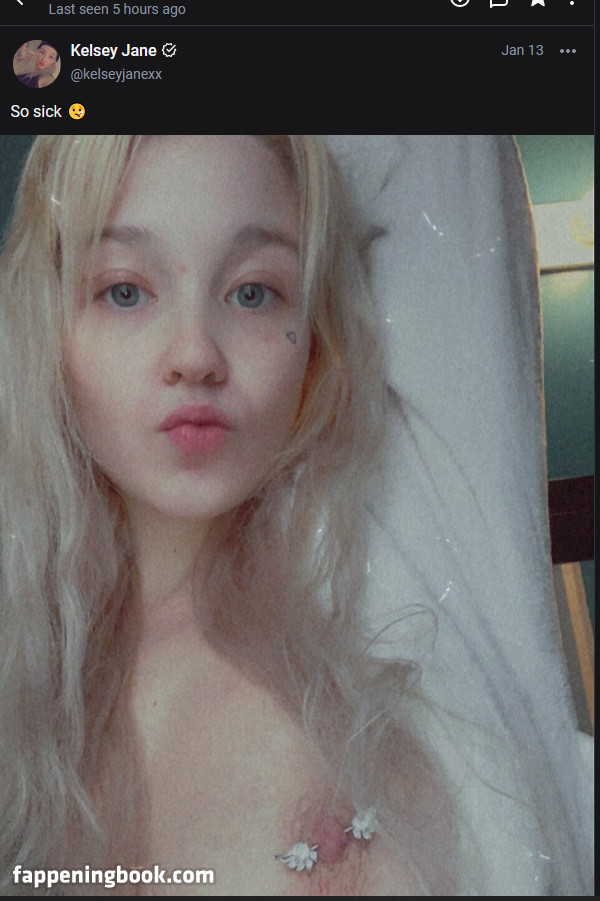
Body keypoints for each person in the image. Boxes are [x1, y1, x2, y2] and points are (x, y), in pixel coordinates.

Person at [0, 136, 589, 896]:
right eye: (125, 291)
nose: (195, 354)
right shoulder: (32, 670)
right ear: (47, 331)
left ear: (316, 345)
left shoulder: (366, 729)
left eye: (252, 292)